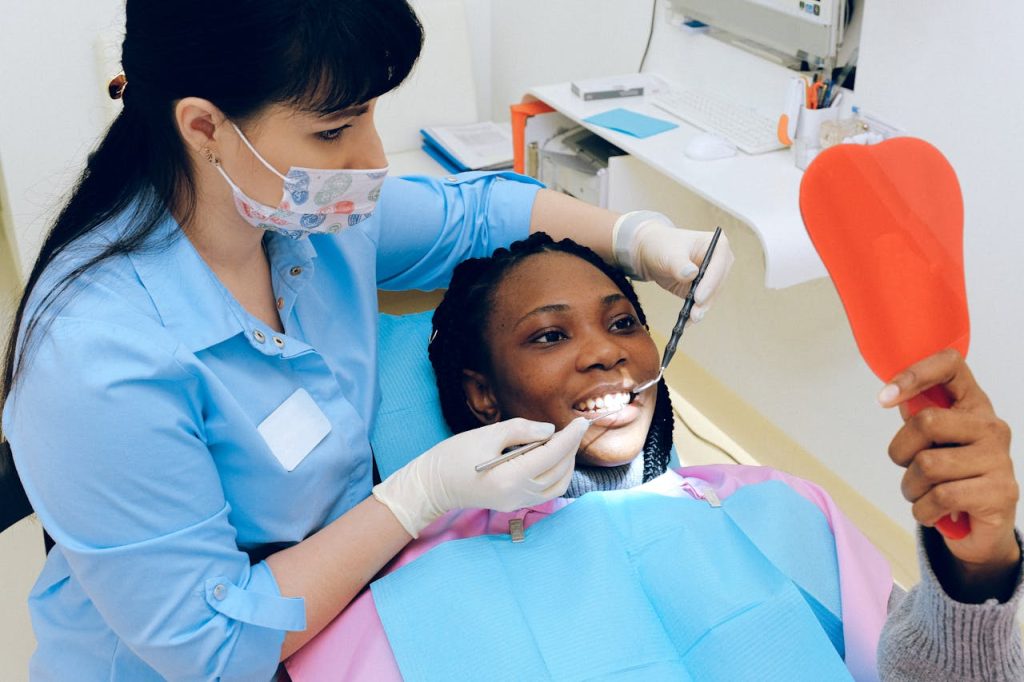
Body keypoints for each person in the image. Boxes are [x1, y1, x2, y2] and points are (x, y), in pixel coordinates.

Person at [0, 3, 735, 680]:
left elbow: (474, 218)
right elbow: (210, 645)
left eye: (369, 117)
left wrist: (639, 239)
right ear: (204, 127)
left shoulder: (311, 220)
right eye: (331, 131)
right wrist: (415, 500)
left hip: (347, 627)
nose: (369, 158)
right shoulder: (95, 356)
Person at [286, 234, 1022, 681]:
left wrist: (976, 565)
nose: (605, 349)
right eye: (549, 336)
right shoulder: (412, 590)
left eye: (623, 323)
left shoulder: (779, 507)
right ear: (481, 395)